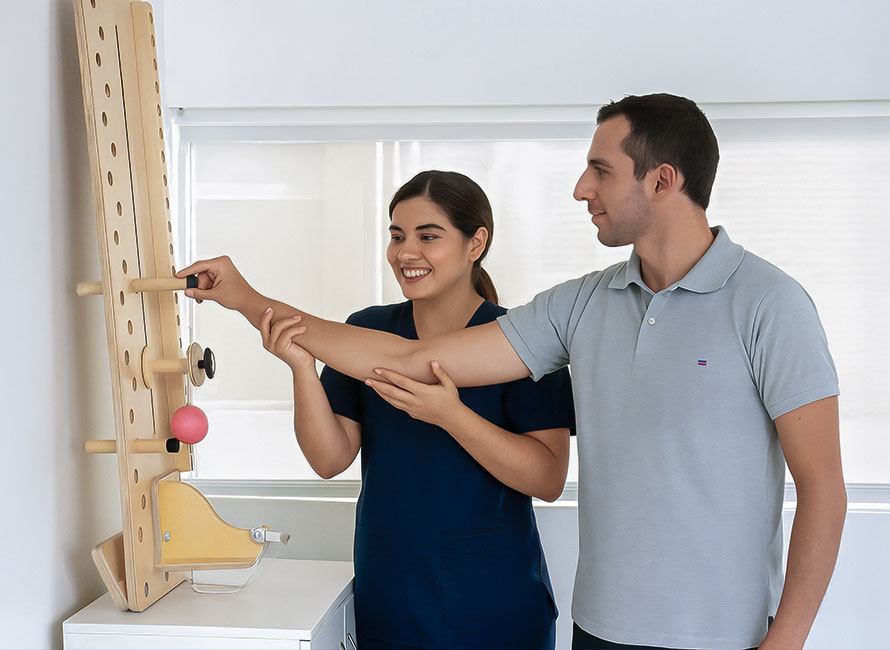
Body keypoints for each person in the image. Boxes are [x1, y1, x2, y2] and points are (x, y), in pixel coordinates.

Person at [178, 94, 846, 650]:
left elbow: (822, 490)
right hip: (599, 629)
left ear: (662, 181)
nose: (581, 188)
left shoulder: (770, 304)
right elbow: (408, 360)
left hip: (723, 636)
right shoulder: (581, 305)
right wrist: (244, 299)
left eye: (600, 170)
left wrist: (786, 641)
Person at [197, 170, 574, 649]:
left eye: (428, 237)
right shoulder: (366, 332)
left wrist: (451, 415)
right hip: (392, 589)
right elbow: (328, 459)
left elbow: (547, 479)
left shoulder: (521, 343)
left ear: (475, 243)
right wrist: (301, 368)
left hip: (493, 596)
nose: (405, 253)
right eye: (397, 236)